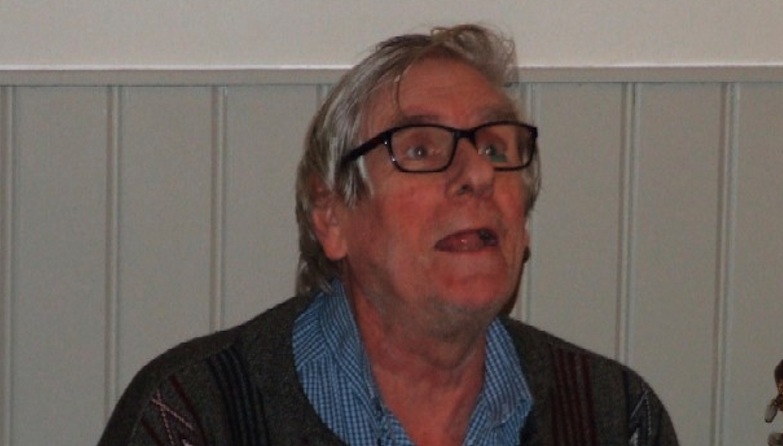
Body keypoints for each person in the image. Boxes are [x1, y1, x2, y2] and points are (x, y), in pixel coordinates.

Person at [98, 24, 679, 446]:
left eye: (495, 148)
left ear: (522, 222)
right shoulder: (195, 416)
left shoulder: (613, 417)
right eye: (420, 149)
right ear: (332, 218)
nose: (477, 174)